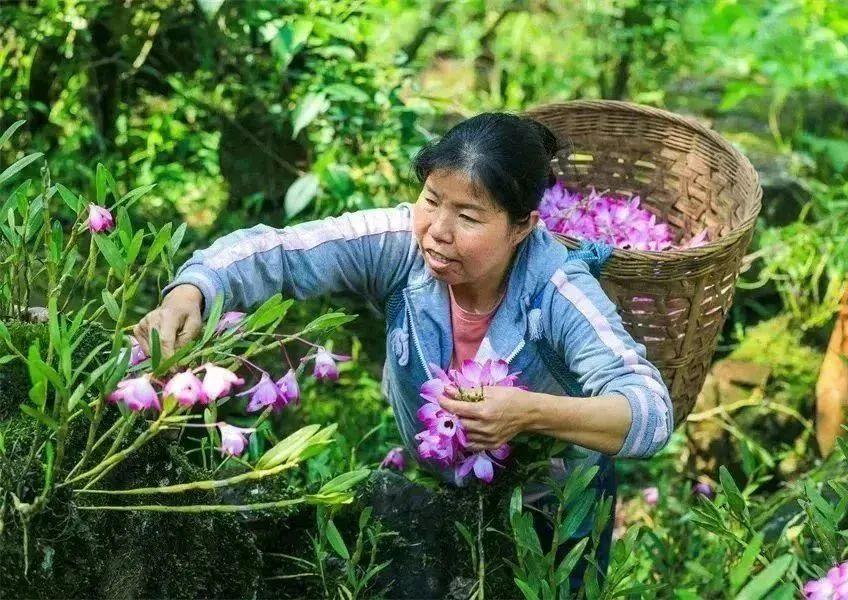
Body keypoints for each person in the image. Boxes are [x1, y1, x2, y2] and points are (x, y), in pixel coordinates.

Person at [134, 112, 673, 589]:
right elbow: (280, 252)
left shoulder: (559, 290)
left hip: (554, 506)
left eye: (468, 216)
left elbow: (649, 412)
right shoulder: (402, 246)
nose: (437, 231)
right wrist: (192, 291)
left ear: (522, 227)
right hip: (440, 487)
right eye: (432, 200)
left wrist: (529, 412)